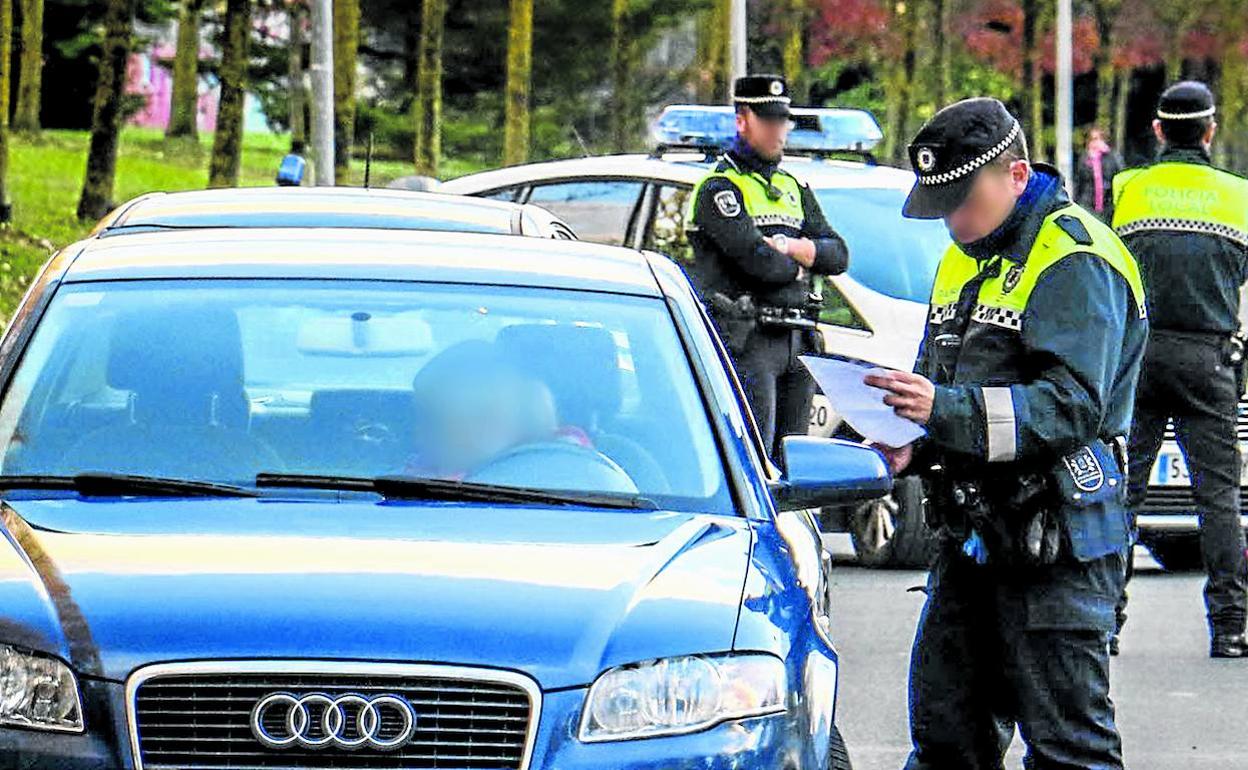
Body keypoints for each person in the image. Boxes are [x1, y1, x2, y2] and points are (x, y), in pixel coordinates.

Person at [868, 97, 1146, 769]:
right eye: (942, 207)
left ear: (1016, 175)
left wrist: (943, 412)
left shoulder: (1075, 258)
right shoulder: (963, 256)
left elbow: (1070, 406)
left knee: (1068, 750)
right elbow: (944, 382)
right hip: (974, 539)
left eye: (964, 200)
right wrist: (913, 438)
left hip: (1059, 542)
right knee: (946, 740)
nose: (954, 222)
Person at [1111, 80, 1248, 658]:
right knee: (1218, 497)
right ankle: (1232, 626)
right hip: (1208, 356)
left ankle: (1103, 620)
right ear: (1210, 132)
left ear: (1160, 130)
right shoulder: (1239, 196)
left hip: (1139, 355)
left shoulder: (1127, 188)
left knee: (1123, 491)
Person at [686, 74, 849, 459]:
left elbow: (839, 255)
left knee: (794, 463)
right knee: (756, 460)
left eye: (784, 121)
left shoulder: (794, 187)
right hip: (749, 337)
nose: (780, 131)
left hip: (798, 336)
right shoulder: (719, 188)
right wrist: (803, 262)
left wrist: (786, 246)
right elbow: (760, 265)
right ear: (743, 120)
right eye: (770, 121)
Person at [1073, 126, 1123, 222]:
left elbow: (1119, 175)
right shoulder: (1084, 159)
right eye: (1092, 140)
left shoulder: (1112, 157)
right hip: (1087, 202)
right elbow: (1079, 182)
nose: (1095, 143)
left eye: (1098, 139)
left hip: (1107, 203)